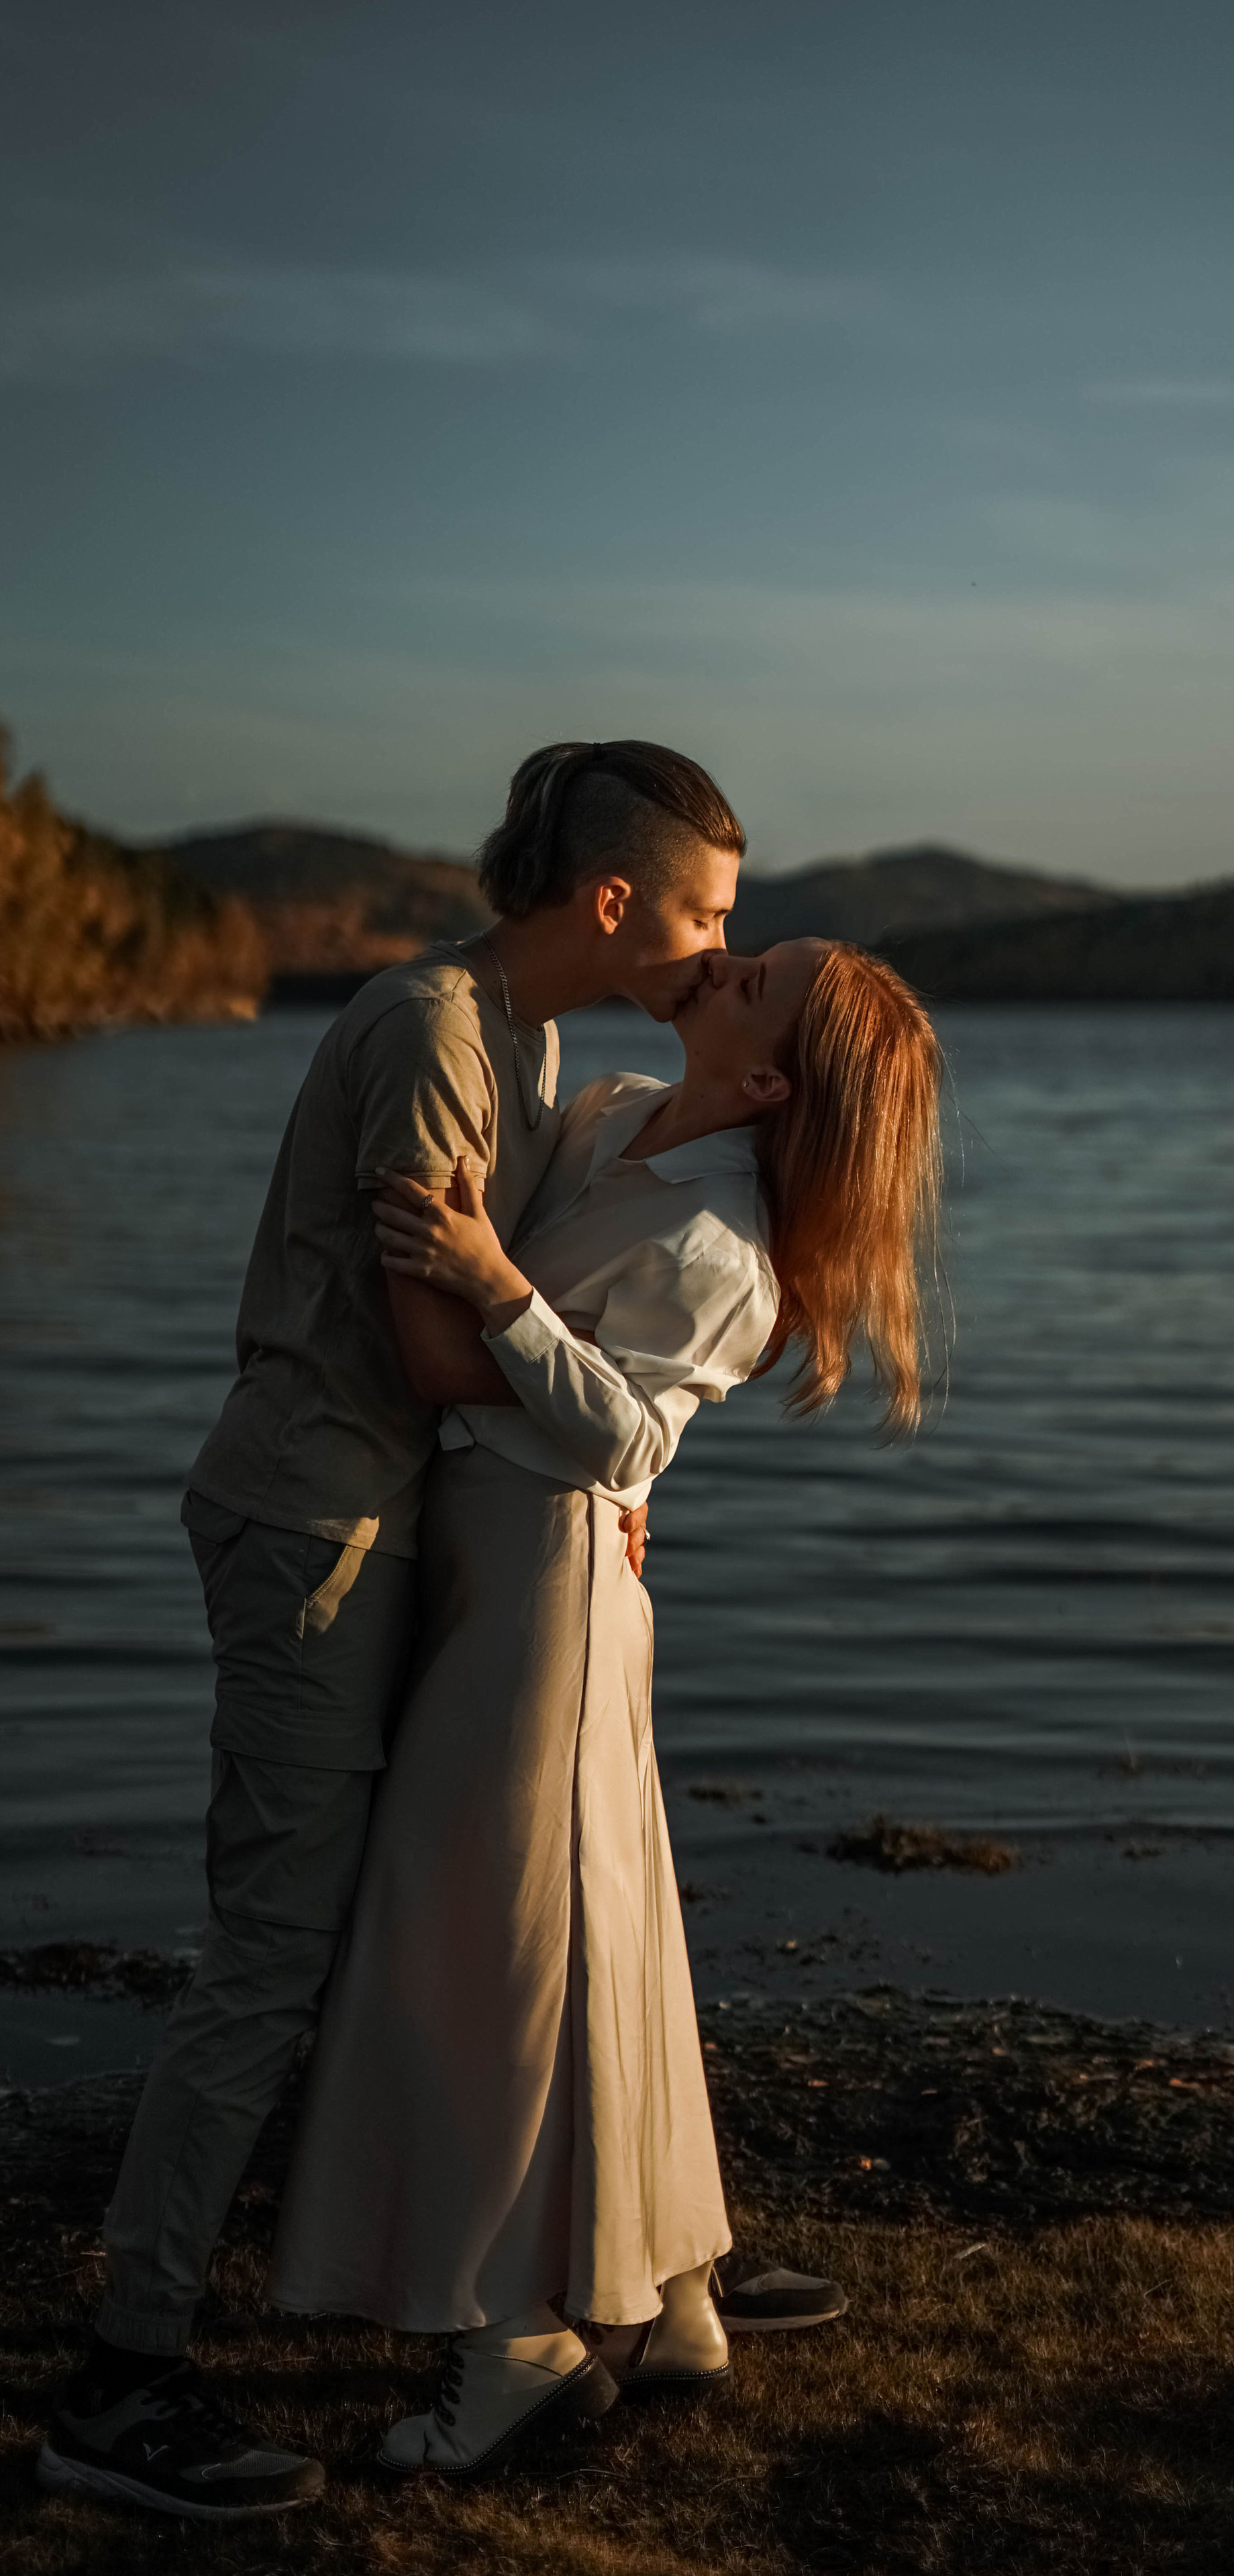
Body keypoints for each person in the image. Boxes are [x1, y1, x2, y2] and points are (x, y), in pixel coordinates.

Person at [38, 740, 747, 2522]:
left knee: (352, 1931)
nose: (721, 949)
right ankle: (123, 2378)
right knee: (275, 1945)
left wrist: (595, 1453)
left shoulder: (537, 1049)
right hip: (314, 1529)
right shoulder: (435, 1033)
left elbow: (502, 1340)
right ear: (613, 900)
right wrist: (590, 1439)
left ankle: (557, 2263)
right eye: (707, 911)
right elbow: (440, 1357)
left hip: (385, 1524)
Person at [262, 937, 945, 2479]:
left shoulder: (727, 1246)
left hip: (553, 1587)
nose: (725, 956)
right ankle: (666, 2301)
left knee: (494, 1948)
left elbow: (628, 1441)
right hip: (493, 1564)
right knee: (590, 1931)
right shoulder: (615, 1107)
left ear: (765, 1078)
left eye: (756, 976)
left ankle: (511, 2343)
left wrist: (498, 1291)